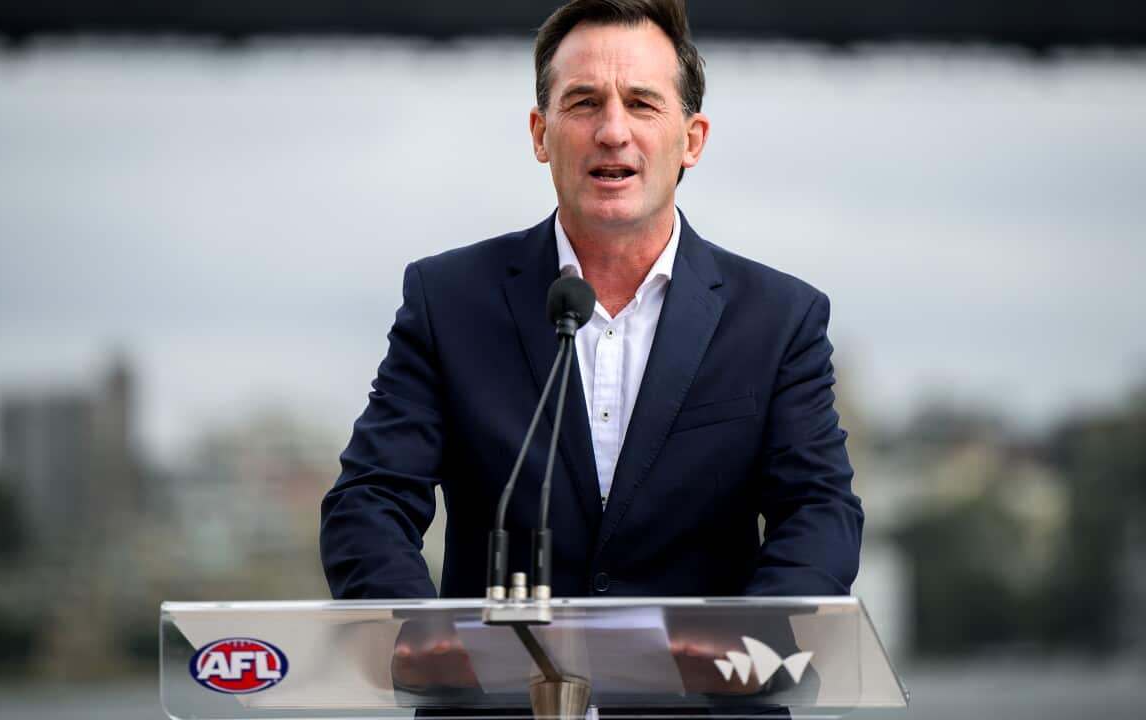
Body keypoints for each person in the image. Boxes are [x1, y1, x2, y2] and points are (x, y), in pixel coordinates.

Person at [320, 0, 862, 692]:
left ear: (691, 139)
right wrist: (419, 638)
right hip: (500, 710)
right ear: (540, 133)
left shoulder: (779, 318)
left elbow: (818, 509)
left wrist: (754, 646)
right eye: (582, 103)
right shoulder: (448, 300)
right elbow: (370, 497)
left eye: (641, 103)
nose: (612, 131)